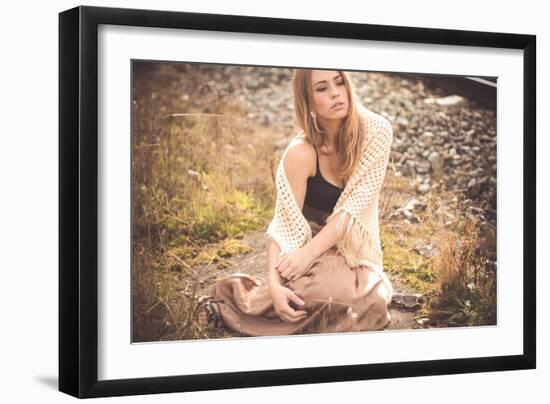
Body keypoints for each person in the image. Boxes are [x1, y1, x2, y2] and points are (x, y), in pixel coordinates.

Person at [196, 69, 394, 336]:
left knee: (374, 303)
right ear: (308, 100)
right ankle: (238, 299)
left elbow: (353, 210)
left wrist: (308, 254)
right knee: (330, 298)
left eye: (339, 83)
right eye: (322, 88)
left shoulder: (376, 131)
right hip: (307, 239)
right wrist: (276, 286)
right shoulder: (301, 152)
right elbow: (284, 223)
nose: (335, 93)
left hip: (349, 242)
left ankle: (292, 305)